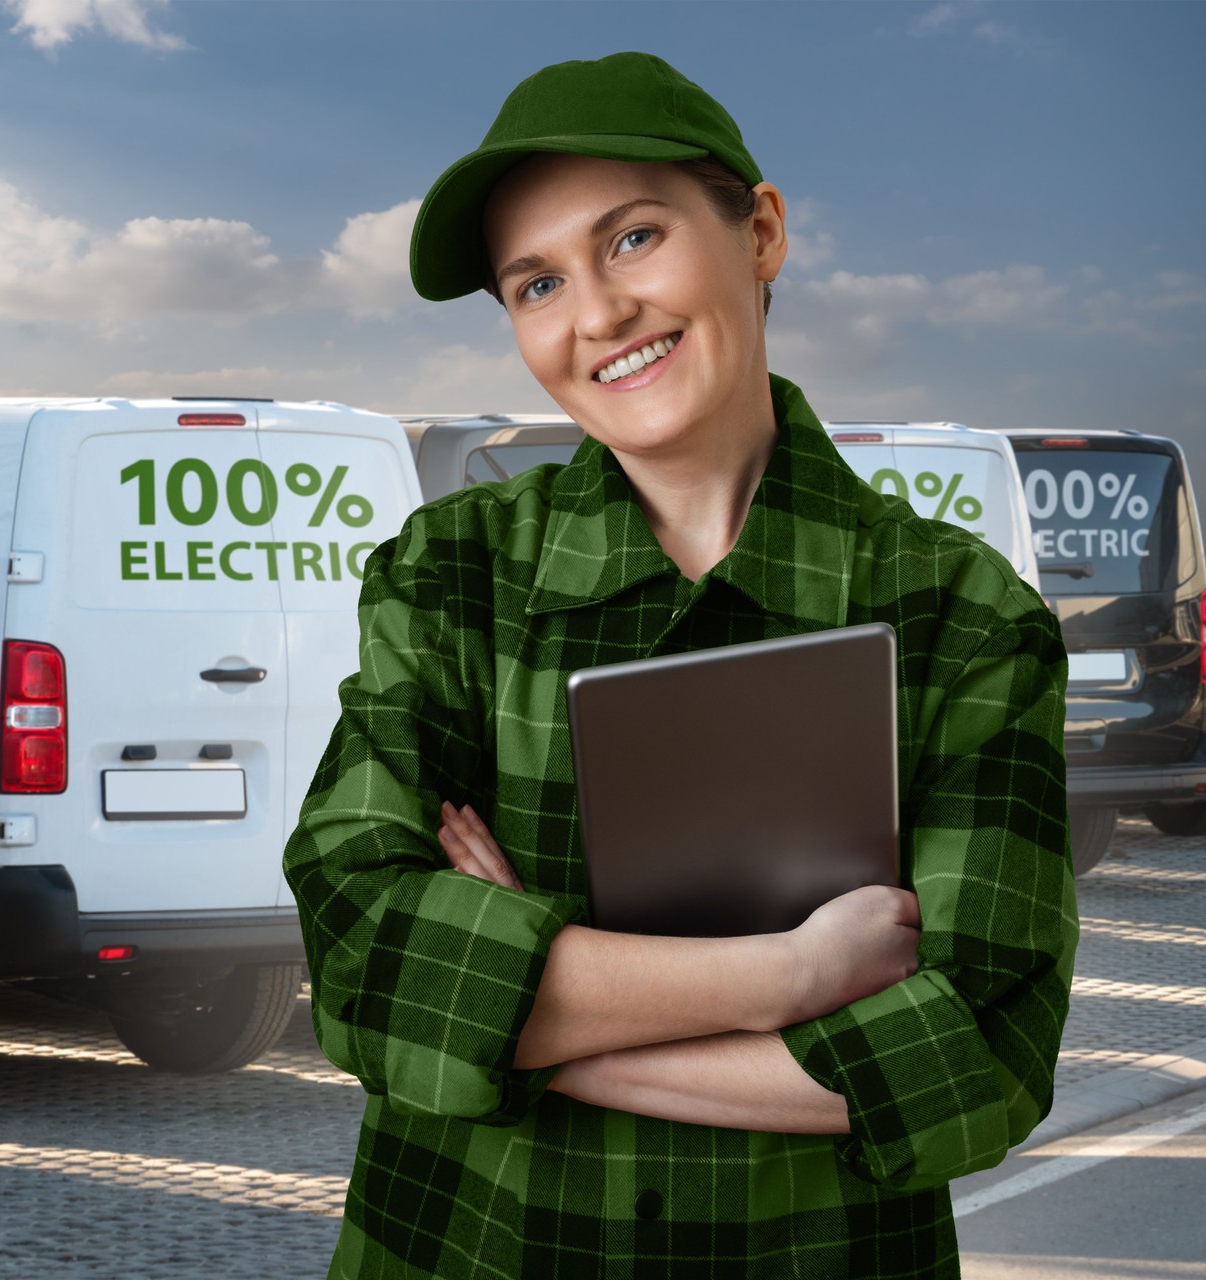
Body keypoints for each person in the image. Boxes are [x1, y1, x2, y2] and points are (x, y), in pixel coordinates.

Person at [282, 51, 1077, 1278]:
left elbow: (974, 1062)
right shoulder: (449, 578)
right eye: (537, 281)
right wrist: (793, 973)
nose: (595, 314)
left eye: (635, 238)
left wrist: (524, 1026)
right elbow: (364, 964)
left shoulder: (964, 618)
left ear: (759, 231)